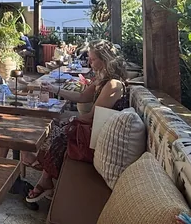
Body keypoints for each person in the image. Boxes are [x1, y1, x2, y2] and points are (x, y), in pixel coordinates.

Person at [24, 39, 128, 203]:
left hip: (97, 138)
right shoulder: (103, 80)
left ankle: (41, 169)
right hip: (95, 131)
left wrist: (68, 118)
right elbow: (81, 97)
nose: (89, 62)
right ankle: (43, 174)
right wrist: (54, 89)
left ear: (105, 59)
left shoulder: (113, 85)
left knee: (58, 128)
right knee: (58, 125)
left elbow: (91, 117)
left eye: (92, 59)